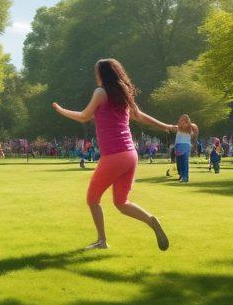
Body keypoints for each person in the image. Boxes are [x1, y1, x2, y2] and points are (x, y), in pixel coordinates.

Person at [51, 58, 173, 251]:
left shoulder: (101, 92)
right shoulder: (123, 95)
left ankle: (102, 241)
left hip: (114, 155)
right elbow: (141, 117)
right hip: (130, 155)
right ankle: (151, 220)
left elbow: (84, 116)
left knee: (92, 199)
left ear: (103, 74)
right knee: (121, 202)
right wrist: (166, 125)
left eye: (97, 72)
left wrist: (60, 110)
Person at [173, 115, 197, 183]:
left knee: (184, 162)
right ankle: (181, 175)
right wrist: (175, 147)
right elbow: (177, 138)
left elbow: (192, 135)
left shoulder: (189, 129)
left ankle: (185, 177)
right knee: (179, 162)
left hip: (186, 145)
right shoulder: (178, 128)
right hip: (178, 145)